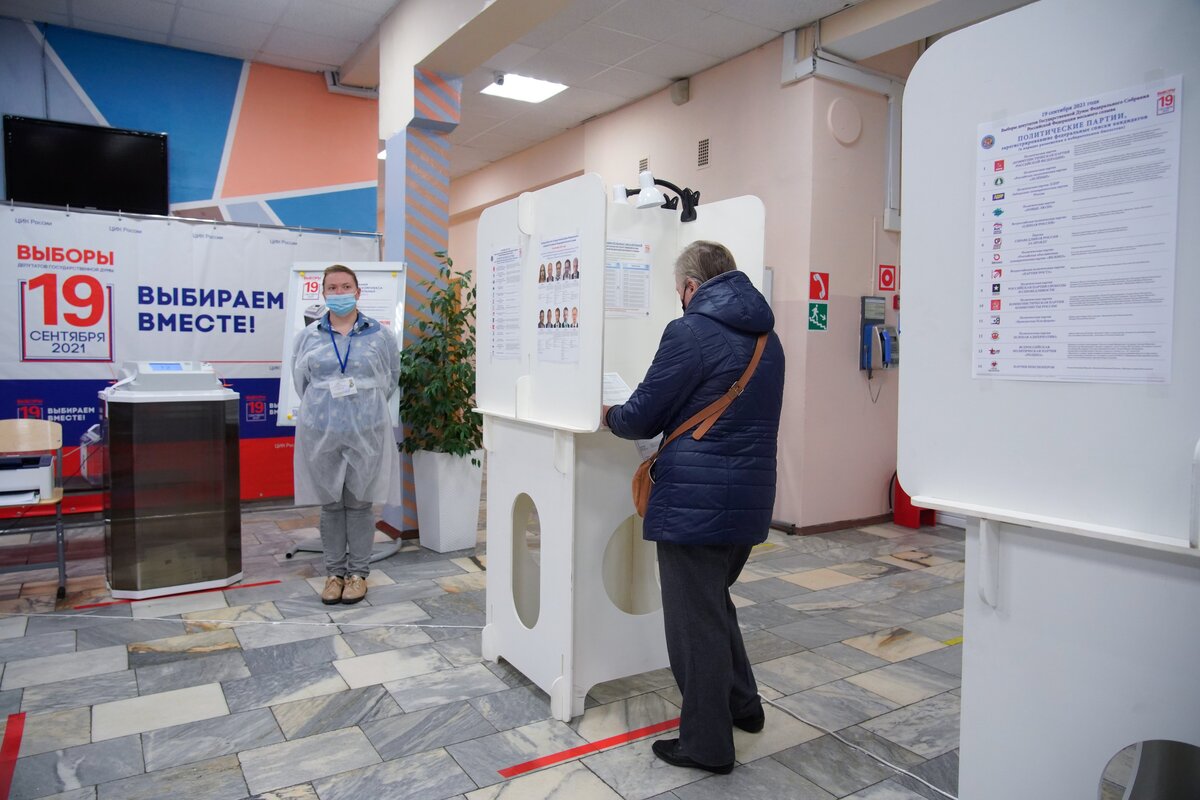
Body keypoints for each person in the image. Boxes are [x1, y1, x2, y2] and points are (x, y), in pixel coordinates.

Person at [602, 241, 784, 774]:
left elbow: (641, 416)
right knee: (713, 605)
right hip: (750, 499)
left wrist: (609, 414)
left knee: (694, 625)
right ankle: (743, 706)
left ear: (689, 287)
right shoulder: (768, 337)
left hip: (694, 502)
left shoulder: (689, 331)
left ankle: (706, 744)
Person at [292, 264, 402, 605]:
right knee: (331, 504)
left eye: (345, 287)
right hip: (321, 431)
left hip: (367, 431)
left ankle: (358, 574)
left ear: (358, 292)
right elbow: (301, 382)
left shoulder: (380, 335)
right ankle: (334, 574)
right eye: (332, 288)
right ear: (323, 293)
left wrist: (361, 408)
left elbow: (391, 377)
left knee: (359, 503)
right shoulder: (308, 336)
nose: (339, 293)